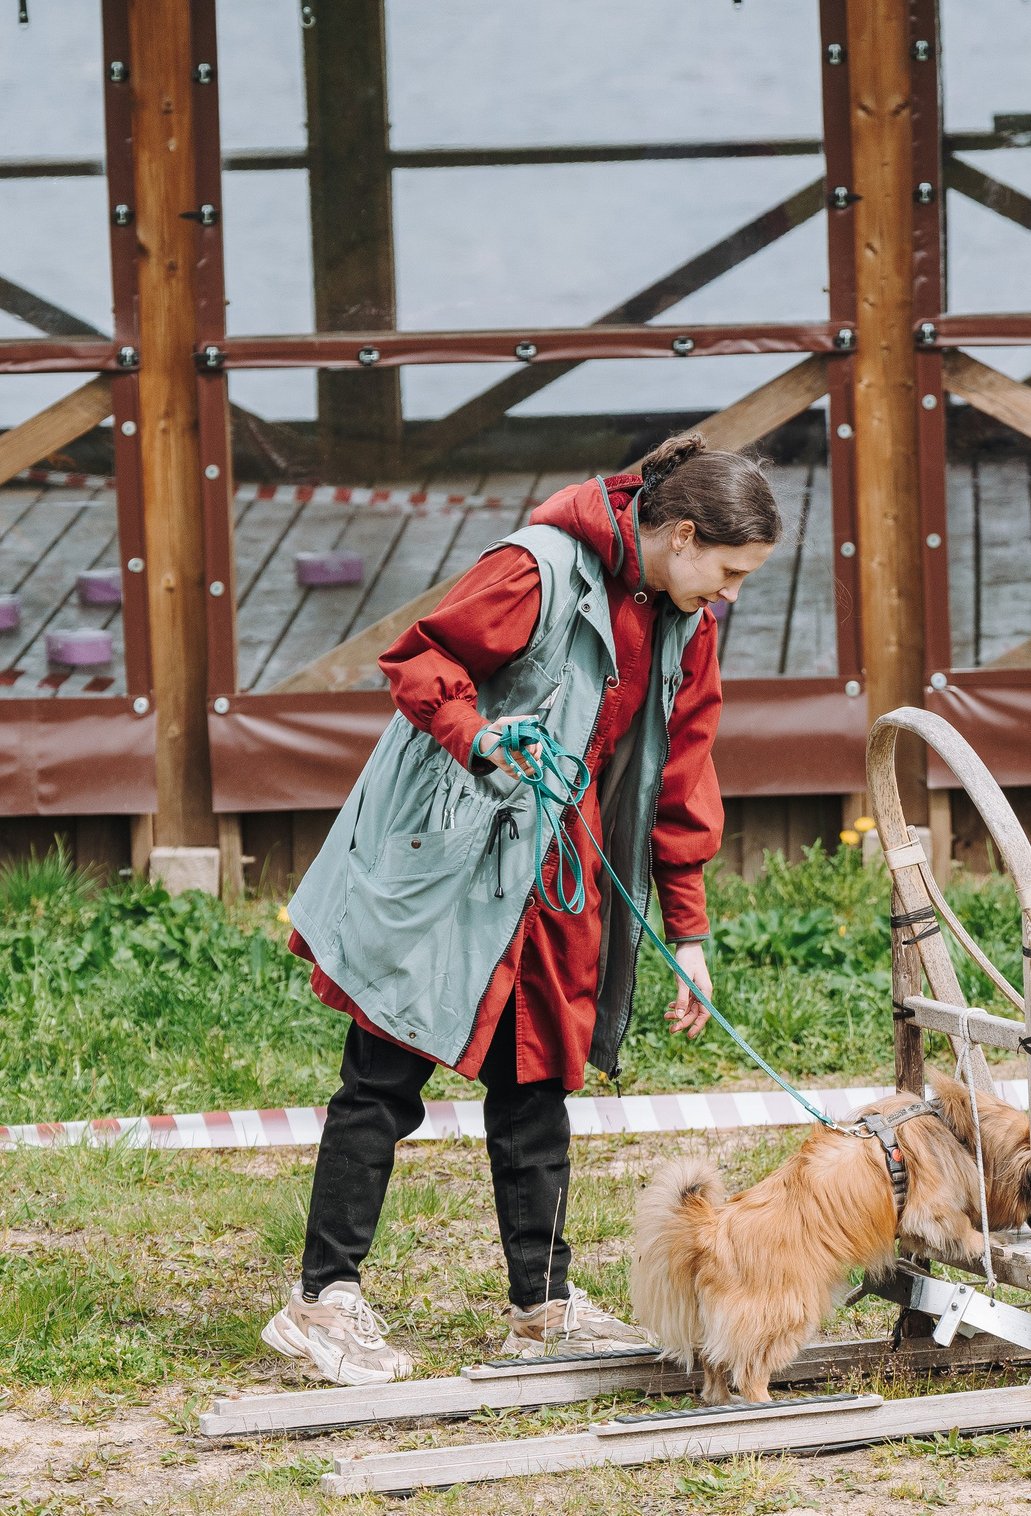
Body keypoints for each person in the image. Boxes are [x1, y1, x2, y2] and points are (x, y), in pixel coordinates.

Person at [260, 434, 780, 1385]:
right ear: (684, 536)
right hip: (453, 858)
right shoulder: (535, 569)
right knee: (383, 1080)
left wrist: (690, 932)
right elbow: (418, 661)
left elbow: (683, 774)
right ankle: (320, 1305)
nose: (733, 593)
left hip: (557, 875)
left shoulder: (686, 618)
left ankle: (541, 1307)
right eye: (731, 570)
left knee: (537, 1084)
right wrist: (478, 735)